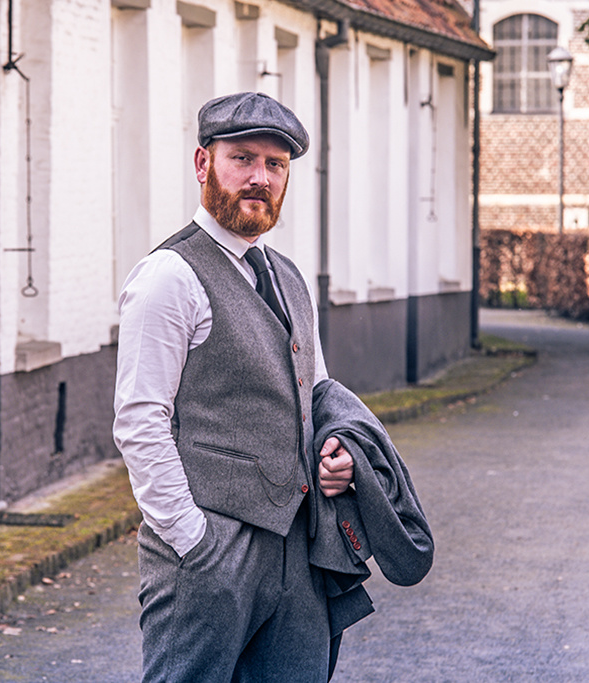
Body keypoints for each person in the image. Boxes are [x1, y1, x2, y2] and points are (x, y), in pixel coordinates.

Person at [113, 92, 433, 682]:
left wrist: (333, 456)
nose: (259, 177)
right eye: (243, 159)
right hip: (211, 549)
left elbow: (313, 393)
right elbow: (140, 422)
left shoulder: (288, 276)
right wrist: (195, 543)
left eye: (276, 164)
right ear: (203, 163)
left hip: (301, 546)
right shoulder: (169, 277)